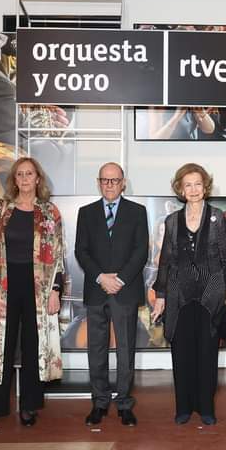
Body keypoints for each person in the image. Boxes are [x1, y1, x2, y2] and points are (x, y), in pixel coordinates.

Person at [0, 157, 66, 428]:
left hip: (38, 288)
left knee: (33, 345)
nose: (25, 178)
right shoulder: (0, 209)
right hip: (3, 284)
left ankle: (29, 406)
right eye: (20, 174)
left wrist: (55, 290)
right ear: (14, 180)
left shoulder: (50, 212)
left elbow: (59, 254)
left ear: (38, 179)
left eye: (29, 174)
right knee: (0, 345)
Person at [151, 163, 226, 425]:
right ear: (180, 189)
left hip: (211, 293)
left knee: (207, 353)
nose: (193, 189)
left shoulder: (217, 217)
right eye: (187, 185)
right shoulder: (172, 221)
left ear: (205, 187)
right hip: (179, 294)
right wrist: (161, 296)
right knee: (181, 354)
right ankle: (184, 407)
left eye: (198, 184)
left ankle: (206, 408)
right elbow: (166, 261)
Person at [75, 163, 149, 427]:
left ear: (123, 183)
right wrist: (101, 277)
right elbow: (81, 251)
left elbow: (141, 251)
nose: (109, 185)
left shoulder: (137, 212)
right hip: (96, 290)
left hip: (125, 290)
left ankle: (125, 404)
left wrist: (119, 279)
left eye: (114, 180)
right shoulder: (86, 213)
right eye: (105, 180)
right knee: (96, 350)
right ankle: (99, 402)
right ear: (98, 183)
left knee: (126, 350)